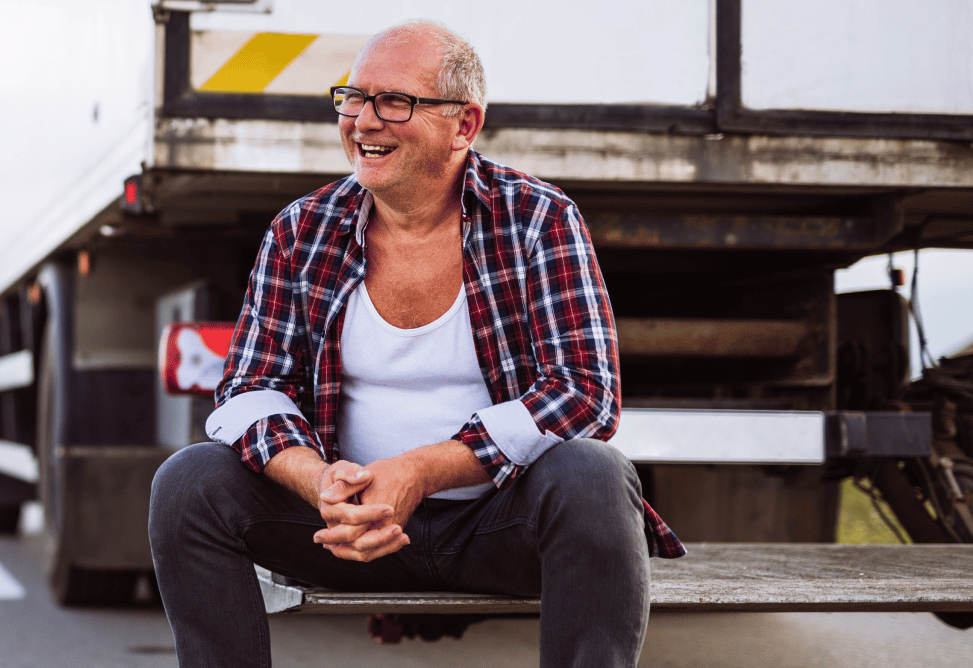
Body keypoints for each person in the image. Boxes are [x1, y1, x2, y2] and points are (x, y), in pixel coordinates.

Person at [147, 20, 685, 668]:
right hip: (340, 530)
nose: (363, 122)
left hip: (493, 528)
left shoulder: (537, 218)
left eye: (394, 102)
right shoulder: (302, 229)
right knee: (188, 482)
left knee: (595, 473)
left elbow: (583, 394)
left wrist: (419, 470)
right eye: (353, 97)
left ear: (464, 124)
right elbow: (248, 390)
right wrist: (319, 482)